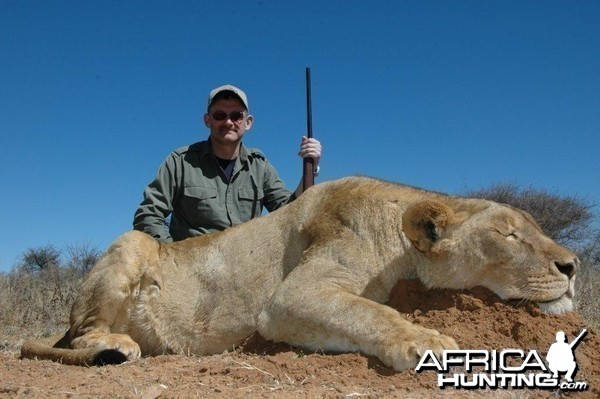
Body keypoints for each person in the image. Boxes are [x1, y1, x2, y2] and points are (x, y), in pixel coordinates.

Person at [133, 84, 322, 242]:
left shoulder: (260, 166)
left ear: (248, 122)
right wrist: (172, 257)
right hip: (190, 271)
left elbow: (291, 212)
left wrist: (311, 169)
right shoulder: (180, 161)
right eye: (219, 115)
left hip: (244, 268)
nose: (229, 121)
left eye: (236, 115)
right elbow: (148, 215)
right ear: (208, 120)